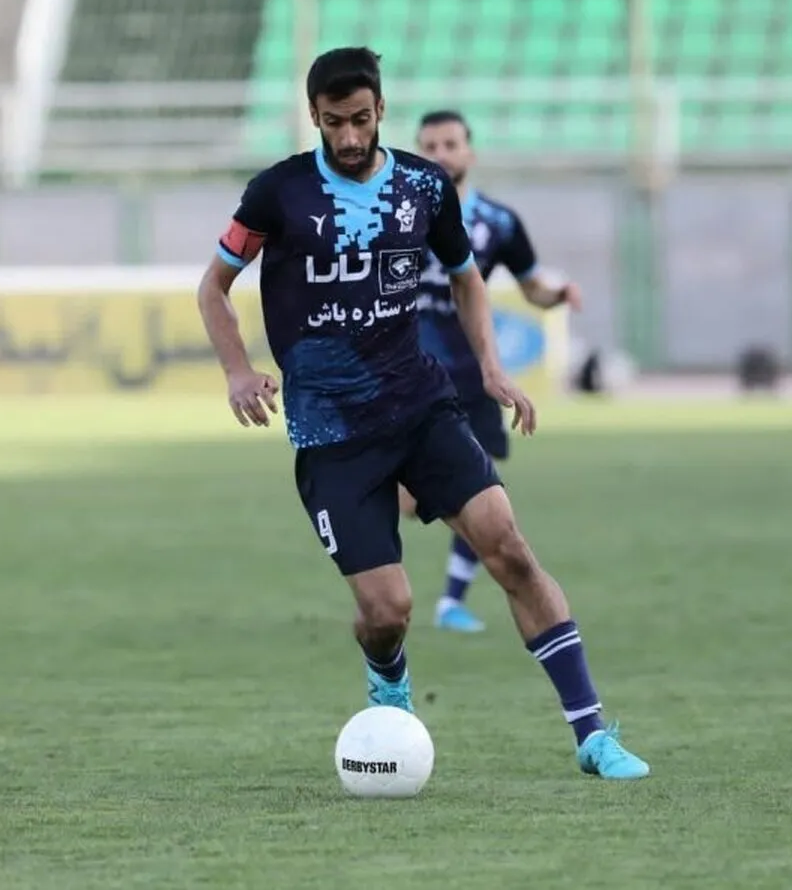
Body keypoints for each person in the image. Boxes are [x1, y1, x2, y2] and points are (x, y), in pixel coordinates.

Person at [196, 47, 648, 779]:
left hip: (420, 406)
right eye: (334, 122)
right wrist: (237, 370)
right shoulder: (277, 193)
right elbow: (213, 286)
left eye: (361, 119)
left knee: (509, 548)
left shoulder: (423, 187)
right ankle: (388, 678)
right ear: (314, 116)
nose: (349, 136)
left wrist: (492, 368)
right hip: (333, 434)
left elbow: (468, 279)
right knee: (388, 610)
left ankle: (592, 733)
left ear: (381, 110)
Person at [405, 109, 583, 634]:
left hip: (474, 373)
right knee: (411, 500)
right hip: (410, 374)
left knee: (482, 492)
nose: (440, 155)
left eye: (450, 144)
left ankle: (451, 602)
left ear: (470, 152)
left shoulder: (499, 223)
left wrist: (557, 295)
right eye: (429, 147)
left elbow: (532, 287)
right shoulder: (396, 215)